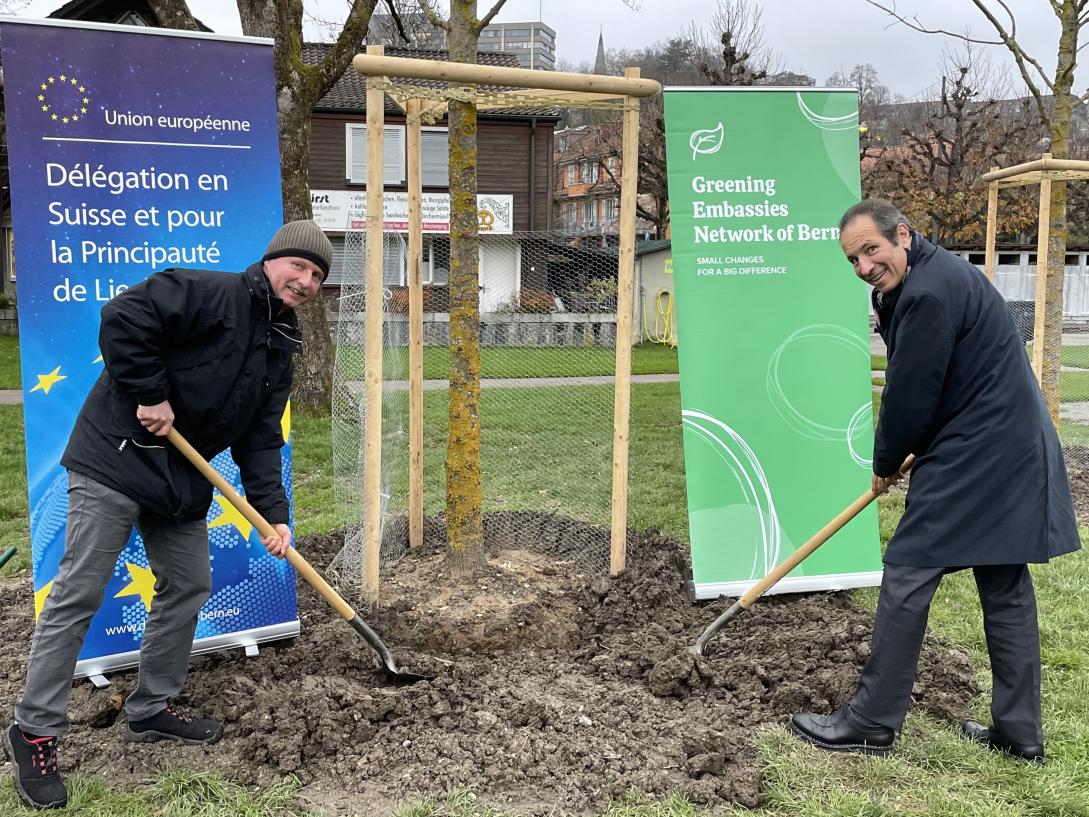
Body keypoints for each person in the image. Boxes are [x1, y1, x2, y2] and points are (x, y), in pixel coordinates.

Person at [3, 220, 333, 810]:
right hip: (116, 455)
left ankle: (152, 706)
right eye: (299, 267)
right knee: (80, 590)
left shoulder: (281, 345)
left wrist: (272, 513)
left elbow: (260, 438)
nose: (305, 281)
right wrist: (150, 393)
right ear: (272, 261)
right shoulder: (211, 293)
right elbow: (124, 319)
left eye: (316, 276)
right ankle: (35, 732)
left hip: (179, 475)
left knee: (188, 583)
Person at [789, 199, 1080, 763]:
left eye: (871, 250)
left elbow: (909, 396)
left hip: (979, 452)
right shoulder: (939, 274)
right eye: (852, 260)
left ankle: (871, 722)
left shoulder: (926, 292)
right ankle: (1020, 736)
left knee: (907, 572)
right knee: (1004, 583)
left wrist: (885, 462)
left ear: (902, 235)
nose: (864, 267)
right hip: (1011, 444)